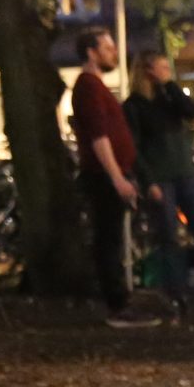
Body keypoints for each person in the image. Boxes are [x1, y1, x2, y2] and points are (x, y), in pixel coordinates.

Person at [124, 48, 194, 310]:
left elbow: (191, 111)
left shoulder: (169, 100)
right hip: (161, 177)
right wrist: (148, 182)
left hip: (184, 173)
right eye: (162, 69)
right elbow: (133, 147)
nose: (167, 73)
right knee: (168, 236)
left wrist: (170, 86)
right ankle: (177, 293)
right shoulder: (134, 106)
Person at [69, 29, 148, 327]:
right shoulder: (89, 87)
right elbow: (98, 136)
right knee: (109, 239)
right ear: (92, 52)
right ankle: (117, 304)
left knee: (111, 238)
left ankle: (120, 300)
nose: (114, 53)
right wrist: (116, 177)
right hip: (104, 177)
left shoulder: (95, 86)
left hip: (109, 174)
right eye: (108, 47)